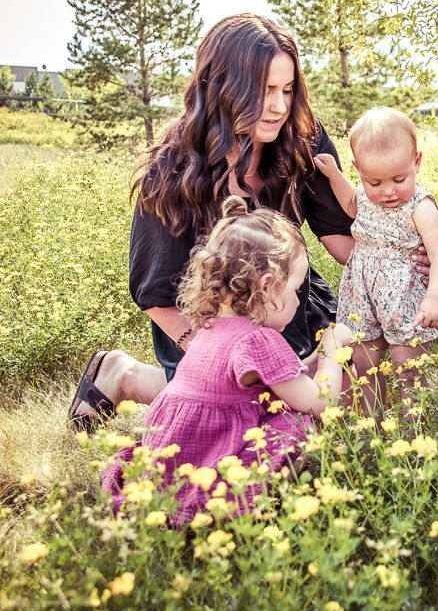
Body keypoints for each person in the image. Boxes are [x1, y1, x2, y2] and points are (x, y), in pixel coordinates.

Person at [68, 14, 422, 429]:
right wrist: (221, 359)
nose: (278, 106)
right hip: (208, 322)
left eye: (287, 90)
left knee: (359, 373)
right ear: (222, 87)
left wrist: (407, 262)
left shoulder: (302, 139)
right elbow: (156, 292)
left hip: (290, 303)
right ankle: (123, 375)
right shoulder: (172, 166)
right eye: (264, 90)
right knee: (251, 405)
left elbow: (339, 233)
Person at [101, 196, 345, 523]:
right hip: (210, 452)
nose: (300, 299)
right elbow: (319, 402)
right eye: (297, 290)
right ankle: (246, 506)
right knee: (296, 423)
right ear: (269, 287)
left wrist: (315, 360)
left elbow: (289, 377)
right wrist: (332, 347)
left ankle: (170, 495)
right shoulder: (259, 339)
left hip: (176, 447)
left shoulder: (211, 326)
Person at [314, 107, 438, 420]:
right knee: (364, 362)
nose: (388, 191)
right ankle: (372, 423)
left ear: (416, 162)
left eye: (399, 179)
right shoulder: (365, 194)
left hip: (404, 296)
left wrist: (435, 297)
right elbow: (351, 203)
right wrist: (335, 175)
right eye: (374, 181)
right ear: (359, 171)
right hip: (362, 293)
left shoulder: (420, 205)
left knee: (407, 364)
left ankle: (413, 423)